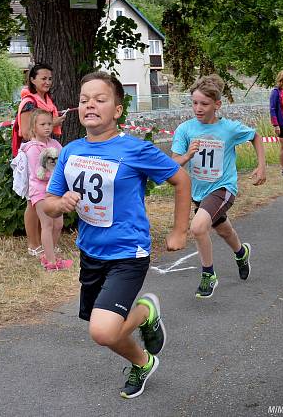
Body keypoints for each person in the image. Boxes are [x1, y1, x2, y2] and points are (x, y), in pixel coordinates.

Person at [43, 71, 191, 399]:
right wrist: (61, 203)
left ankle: (143, 318)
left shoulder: (134, 150)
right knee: (101, 327)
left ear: (118, 110)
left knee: (103, 331)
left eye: (100, 99)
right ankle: (143, 358)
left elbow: (181, 179)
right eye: (84, 100)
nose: (90, 105)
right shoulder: (70, 152)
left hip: (128, 252)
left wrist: (180, 230)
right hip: (91, 252)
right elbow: (48, 205)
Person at [172, 75, 267, 299]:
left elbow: (256, 136)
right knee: (224, 230)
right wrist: (187, 155)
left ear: (217, 105)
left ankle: (208, 275)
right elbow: (173, 162)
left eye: (204, 104)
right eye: (194, 103)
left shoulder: (229, 129)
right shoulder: (185, 130)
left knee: (197, 227)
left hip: (223, 188)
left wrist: (261, 166)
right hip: (199, 192)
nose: (198, 108)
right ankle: (241, 253)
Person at [11, 63, 67, 257]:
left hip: (48, 150)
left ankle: (46, 244)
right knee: (32, 202)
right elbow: (26, 132)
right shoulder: (29, 102)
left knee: (41, 204)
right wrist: (53, 123)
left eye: (50, 78)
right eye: (43, 78)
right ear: (32, 80)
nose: (47, 82)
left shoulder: (46, 99)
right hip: (34, 155)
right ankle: (34, 245)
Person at [20, 108, 72, 271]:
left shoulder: (55, 144)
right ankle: (51, 262)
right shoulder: (32, 148)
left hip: (55, 191)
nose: (47, 127)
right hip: (40, 192)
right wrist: (59, 174)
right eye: (43, 124)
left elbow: (64, 162)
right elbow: (40, 173)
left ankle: (49, 253)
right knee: (47, 224)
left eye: (50, 123)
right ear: (34, 126)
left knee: (58, 224)